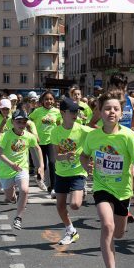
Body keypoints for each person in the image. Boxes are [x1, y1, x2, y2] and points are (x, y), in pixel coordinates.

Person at [80, 91, 134, 268]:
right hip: (102, 187)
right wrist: (88, 167)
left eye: (115, 109)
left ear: (121, 113)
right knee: (107, 226)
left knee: (118, 233)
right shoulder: (93, 135)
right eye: (107, 108)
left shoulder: (128, 136)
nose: (111, 112)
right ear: (99, 112)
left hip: (123, 190)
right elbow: (84, 156)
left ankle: (112, 266)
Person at [0, 108, 43, 230]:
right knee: (10, 198)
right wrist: (11, 164)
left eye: (24, 122)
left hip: (21, 168)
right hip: (6, 170)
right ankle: (14, 197)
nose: (22, 124)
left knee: (25, 190)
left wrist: (41, 165)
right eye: (19, 122)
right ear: (13, 122)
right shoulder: (5, 136)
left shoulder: (29, 136)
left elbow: (37, 148)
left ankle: (18, 218)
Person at [51, 98, 91, 245]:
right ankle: (71, 230)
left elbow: (100, 133)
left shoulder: (82, 129)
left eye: (77, 111)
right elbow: (56, 156)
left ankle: (81, 188)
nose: (76, 113)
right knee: (60, 206)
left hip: (78, 172)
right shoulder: (55, 132)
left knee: (75, 205)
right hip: (61, 173)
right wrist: (65, 156)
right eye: (72, 111)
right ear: (62, 113)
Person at [28, 91, 61, 197]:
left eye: (51, 99)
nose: (49, 101)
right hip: (38, 142)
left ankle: (53, 187)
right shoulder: (37, 111)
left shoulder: (57, 112)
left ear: (54, 101)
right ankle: (39, 178)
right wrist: (32, 133)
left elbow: (60, 125)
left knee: (52, 163)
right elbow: (29, 121)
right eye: (46, 99)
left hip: (52, 141)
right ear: (42, 101)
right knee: (43, 166)